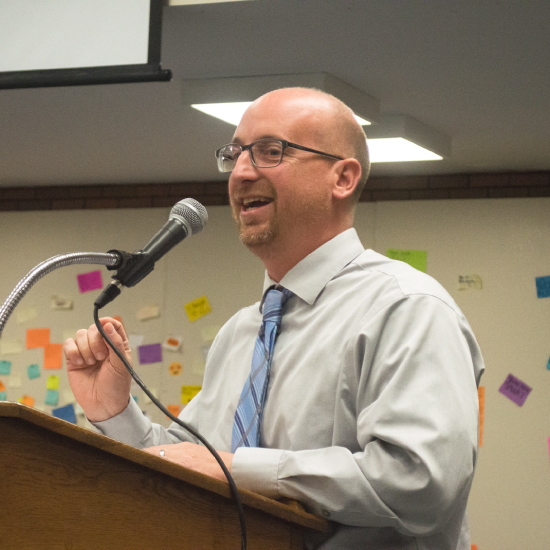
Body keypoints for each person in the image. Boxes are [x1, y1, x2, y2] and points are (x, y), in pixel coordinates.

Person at [63, 87, 485, 550]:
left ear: (342, 178)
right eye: (235, 153)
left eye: (270, 151)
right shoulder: (241, 332)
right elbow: (189, 469)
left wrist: (241, 471)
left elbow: (422, 483)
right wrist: (116, 412)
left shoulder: (408, 308)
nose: (241, 171)